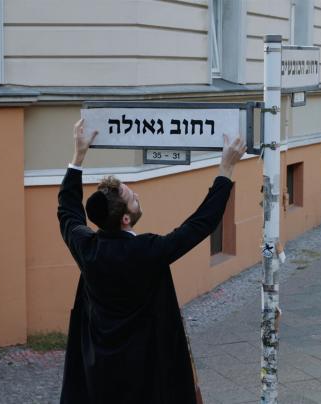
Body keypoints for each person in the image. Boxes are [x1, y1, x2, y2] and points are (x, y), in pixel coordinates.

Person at [58, 118, 246, 403]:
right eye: (133, 199)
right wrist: (226, 169)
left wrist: (78, 156)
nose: (138, 197)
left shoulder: (87, 248)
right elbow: (198, 226)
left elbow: (68, 211)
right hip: (145, 372)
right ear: (125, 219)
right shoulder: (147, 251)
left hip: (99, 372)